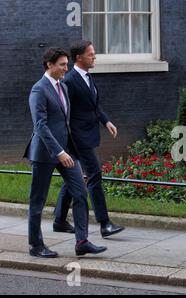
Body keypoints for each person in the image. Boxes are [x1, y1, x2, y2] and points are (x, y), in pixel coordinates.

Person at [24, 48, 107, 258]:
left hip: (67, 151)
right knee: (38, 200)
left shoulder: (63, 87)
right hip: (45, 153)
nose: (66, 68)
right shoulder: (38, 90)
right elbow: (41, 125)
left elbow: (65, 121)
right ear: (49, 65)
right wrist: (59, 152)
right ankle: (36, 246)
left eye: (66, 64)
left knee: (79, 192)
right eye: (62, 64)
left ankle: (82, 242)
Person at [53, 40, 124, 238]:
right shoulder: (70, 80)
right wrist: (68, 139)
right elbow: (63, 112)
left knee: (73, 177)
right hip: (77, 138)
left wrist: (106, 121)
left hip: (87, 134)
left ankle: (59, 220)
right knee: (94, 175)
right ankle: (104, 223)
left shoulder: (86, 76)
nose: (94, 57)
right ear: (79, 57)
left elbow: (93, 104)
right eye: (91, 54)